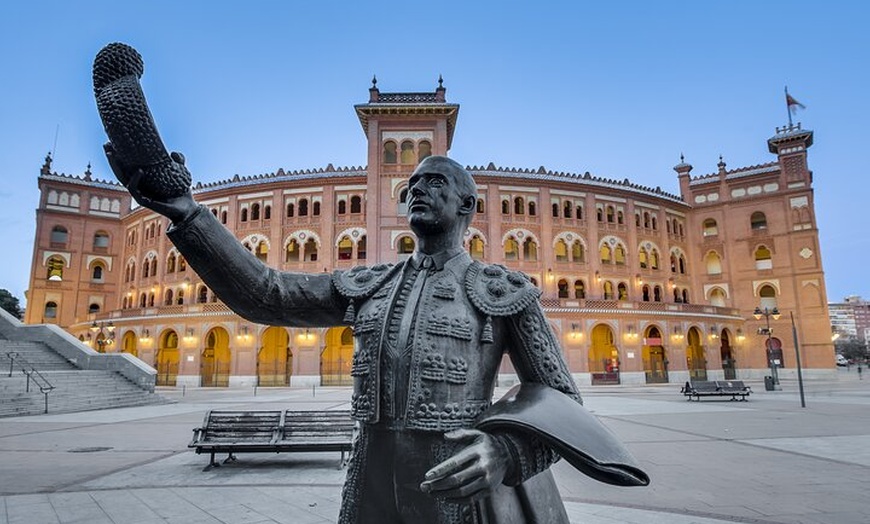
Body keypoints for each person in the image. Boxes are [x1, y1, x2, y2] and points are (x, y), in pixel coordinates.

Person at [107, 149, 642, 523]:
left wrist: (504, 452)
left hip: (461, 482)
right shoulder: (370, 286)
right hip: (373, 480)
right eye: (412, 186)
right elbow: (265, 293)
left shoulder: (503, 290)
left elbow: (559, 398)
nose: (417, 191)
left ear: (466, 206)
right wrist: (187, 214)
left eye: (435, 183)